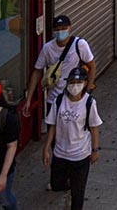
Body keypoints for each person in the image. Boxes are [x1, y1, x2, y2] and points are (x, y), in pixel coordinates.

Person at [43, 67, 103, 210]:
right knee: (56, 184)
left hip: (80, 155)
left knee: (78, 194)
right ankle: (70, 186)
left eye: (78, 82)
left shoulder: (89, 103)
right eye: (71, 82)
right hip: (60, 153)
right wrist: (46, 149)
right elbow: (52, 126)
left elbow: (94, 128)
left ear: (84, 83)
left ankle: (74, 190)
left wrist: (94, 150)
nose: (74, 86)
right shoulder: (59, 101)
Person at [23, 16, 96, 118]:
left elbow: (92, 67)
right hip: (53, 99)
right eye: (57, 29)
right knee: (53, 130)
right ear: (53, 31)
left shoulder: (80, 45)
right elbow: (37, 72)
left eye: (63, 28)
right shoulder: (47, 48)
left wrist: (86, 92)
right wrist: (29, 100)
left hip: (75, 98)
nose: (60, 31)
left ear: (69, 28)